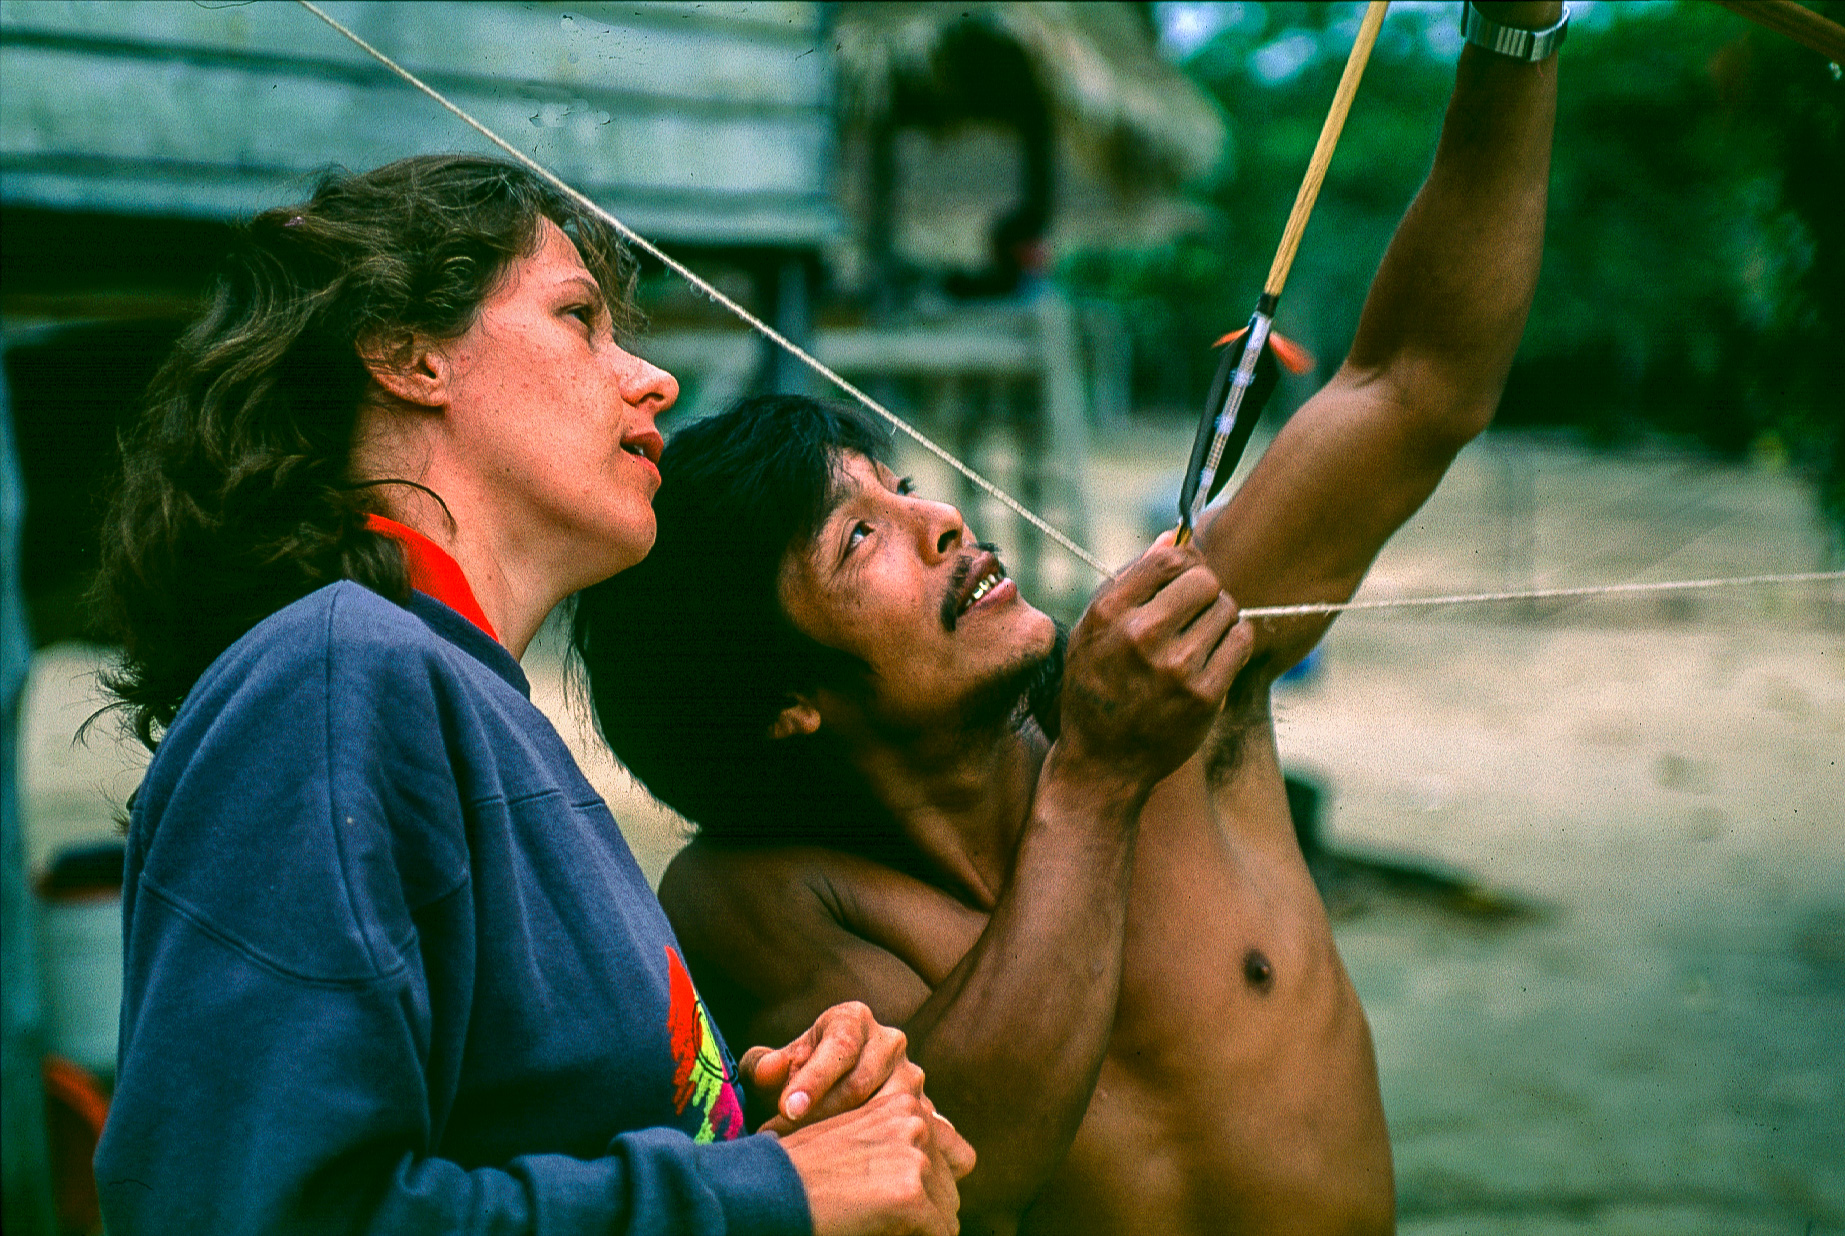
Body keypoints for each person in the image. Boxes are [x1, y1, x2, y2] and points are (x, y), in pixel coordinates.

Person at [573, 3, 1565, 1233]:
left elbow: (1412, 384)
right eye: (860, 537)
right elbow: (957, 1182)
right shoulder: (756, 901)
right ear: (784, 700)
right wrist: (1093, 781)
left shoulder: (1166, 668)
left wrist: (1517, 35)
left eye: (898, 482)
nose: (939, 518)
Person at [88, 154, 973, 1235]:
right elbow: (245, 1209)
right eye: (579, 318)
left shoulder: (454, 698)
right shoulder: (332, 676)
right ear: (406, 354)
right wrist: (771, 1194)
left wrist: (767, 1123)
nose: (655, 380)